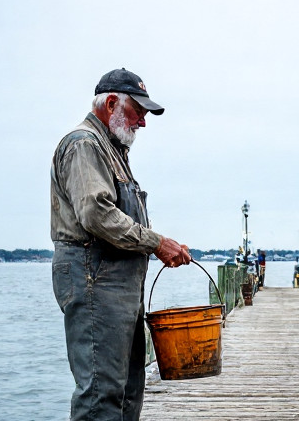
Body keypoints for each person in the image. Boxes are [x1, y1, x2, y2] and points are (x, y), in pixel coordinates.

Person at [50, 68, 191, 420]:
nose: (143, 122)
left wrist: (155, 244)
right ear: (111, 102)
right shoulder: (84, 144)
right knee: (101, 395)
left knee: (128, 390)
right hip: (94, 281)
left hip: (118, 289)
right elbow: (96, 214)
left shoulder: (112, 150)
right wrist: (157, 243)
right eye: (138, 111)